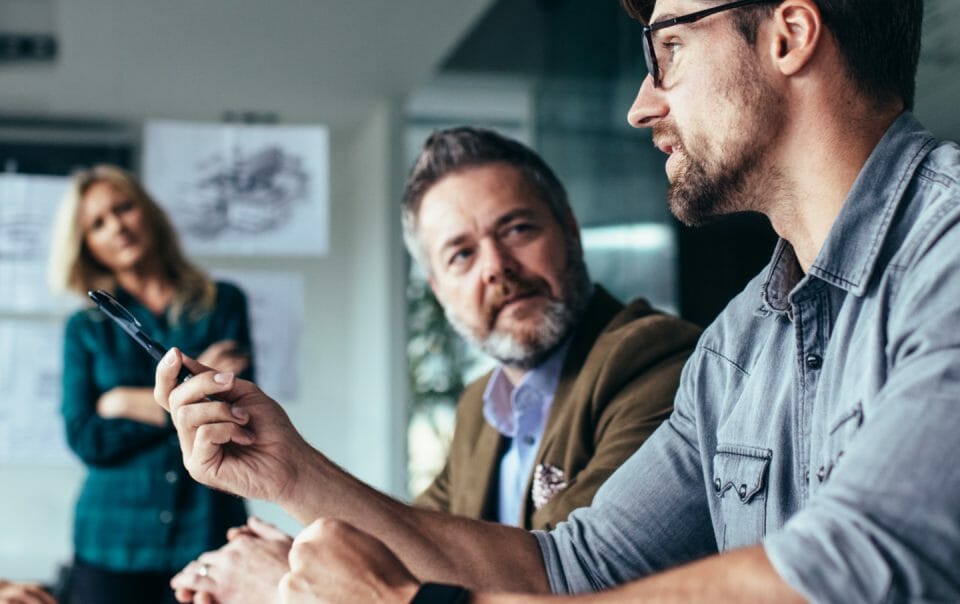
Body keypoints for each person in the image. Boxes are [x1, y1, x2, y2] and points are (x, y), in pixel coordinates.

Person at [155, 0, 960, 601]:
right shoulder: (740, 344)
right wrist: (291, 471)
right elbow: (572, 566)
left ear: (789, 34)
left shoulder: (945, 252)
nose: (641, 104)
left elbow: (862, 561)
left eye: (669, 48)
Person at [167, 128, 701, 602]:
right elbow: (409, 549)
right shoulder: (478, 406)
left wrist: (287, 588)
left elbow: (575, 581)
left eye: (517, 229)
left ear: (570, 230)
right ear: (437, 289)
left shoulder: (653, 358)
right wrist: (299, 547)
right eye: (461, 255)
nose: (496, 268)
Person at [48, 165, 254, 604]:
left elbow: (233, 413)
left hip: (207, 533)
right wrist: (187, 399)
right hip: (111, 543)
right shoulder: (84, 329)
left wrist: (121, 401)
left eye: (123, 208)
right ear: (86, 246)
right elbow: (85, 437)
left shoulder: (223, 303)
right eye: (98, 223)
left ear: (148, 213)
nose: (117, 226)